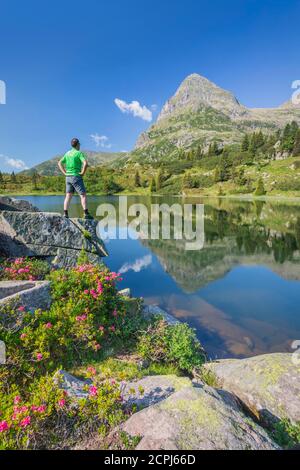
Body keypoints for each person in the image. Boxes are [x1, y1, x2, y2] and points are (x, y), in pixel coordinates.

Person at [58, 138, 93, 219]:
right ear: (78, 144)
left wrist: (64, 173)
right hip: (76, 176)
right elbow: (85, 163)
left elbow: (59, 163)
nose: (80, 145)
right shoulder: (78, 153)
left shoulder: (67, 153)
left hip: (68, 177)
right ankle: (86, 213)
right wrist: (82, 173)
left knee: (68, 196)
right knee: (83, 195)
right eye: (79, 144)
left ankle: (65, 214)